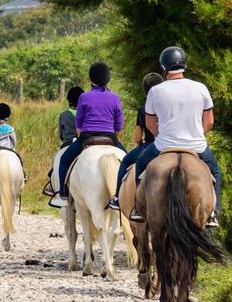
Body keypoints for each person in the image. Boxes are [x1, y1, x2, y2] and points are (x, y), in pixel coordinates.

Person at [129, 46, 221, 228]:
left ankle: (137, 209)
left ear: (164, 67)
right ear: (184, 65)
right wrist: (195, 135)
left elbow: (149, 123)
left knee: (140, 164)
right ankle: (212, 213)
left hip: (164, 144)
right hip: (196, 145)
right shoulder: (200, 88)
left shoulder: (156, 91)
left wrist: (161, 136)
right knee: (216, 172)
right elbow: (209, 121)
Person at [55, 62, 127, 206]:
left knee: (63, 160)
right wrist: (112, 134)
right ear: (108, 78)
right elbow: (119, 124)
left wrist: (81, 135)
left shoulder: (84, 97)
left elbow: (79, 122)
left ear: (91, 78)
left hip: (87, 137)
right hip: (110, 137)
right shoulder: (115, 97)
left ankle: (62, 195)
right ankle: (125, 197)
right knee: (128, 162)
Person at [107, 72, 164, 210]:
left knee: (126, 160)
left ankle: (118, 198)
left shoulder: (143, 109)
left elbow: (138, 138)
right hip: (174, 144)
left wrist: (140, 144)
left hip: (152, 145)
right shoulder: (169, 104)